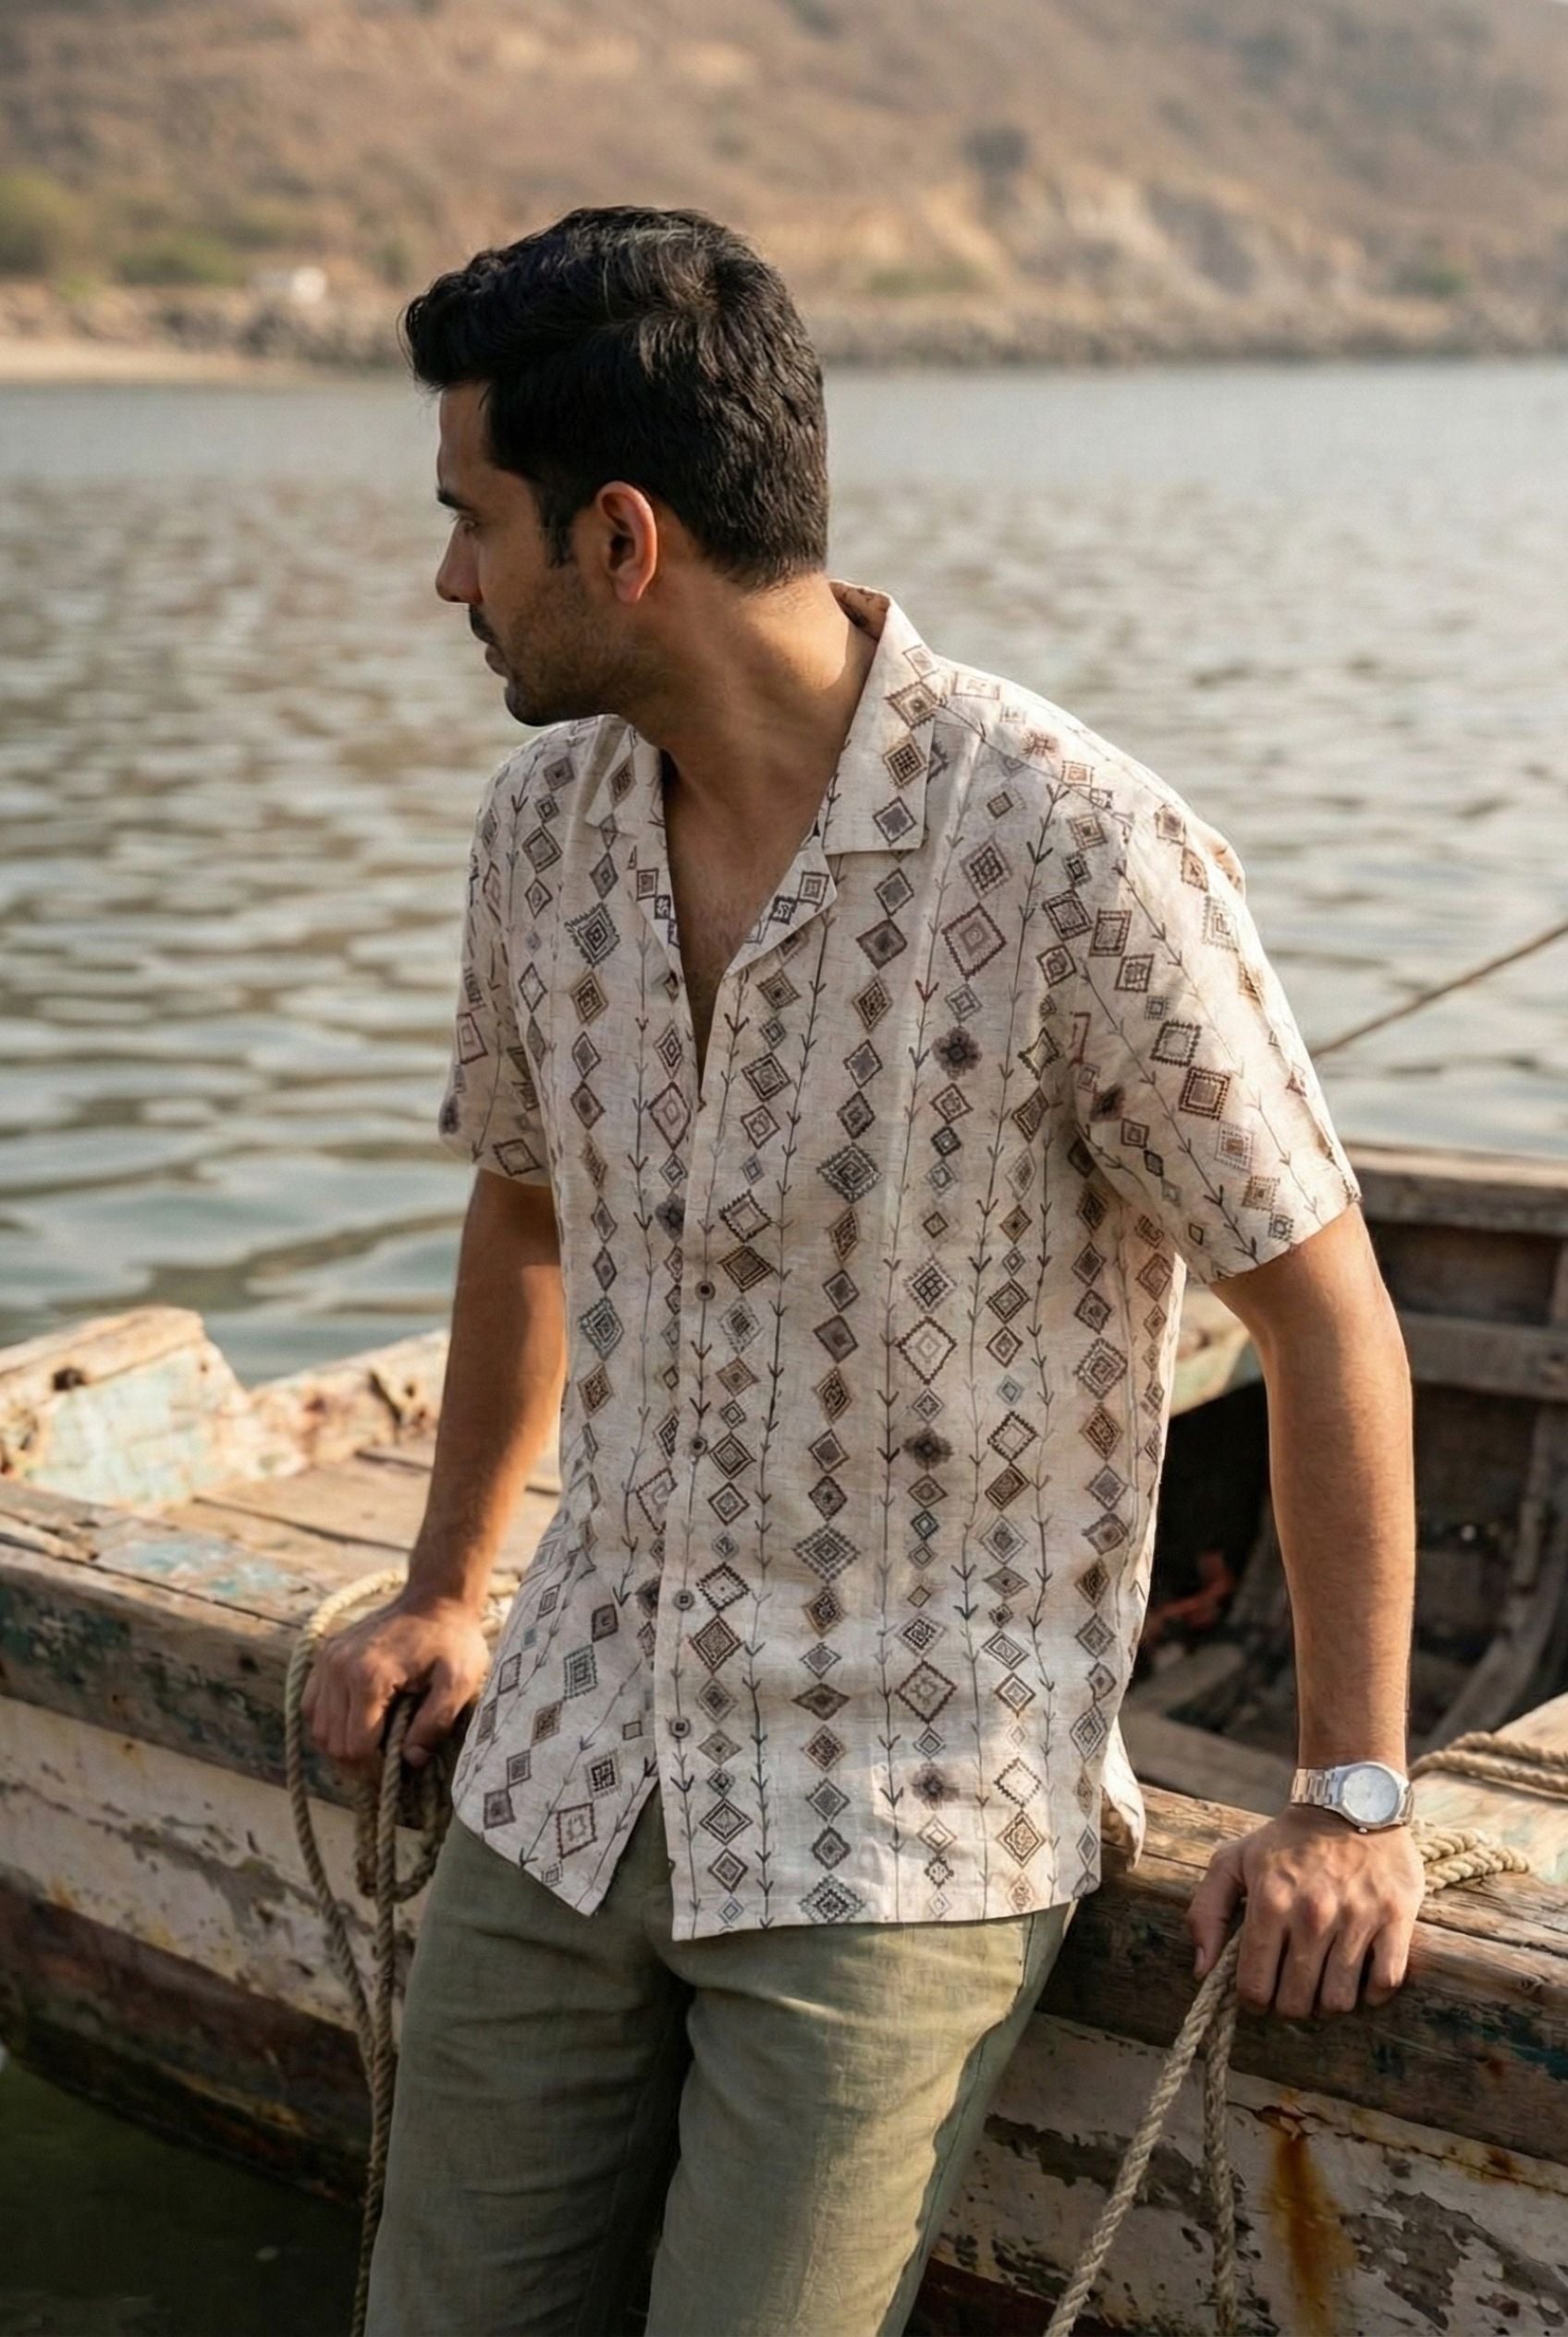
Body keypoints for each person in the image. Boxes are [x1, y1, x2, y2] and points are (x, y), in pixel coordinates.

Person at [303, 205, 1423, 2337]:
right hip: (566, 1762)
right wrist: (450, 1586)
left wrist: (1347, 1792)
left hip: (901, 1822)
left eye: (472, 523)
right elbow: (524, 1206)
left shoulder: (1075, 850)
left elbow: (1319, 1304)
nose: (449, 579)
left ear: (617, 539)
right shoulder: (538, 836)